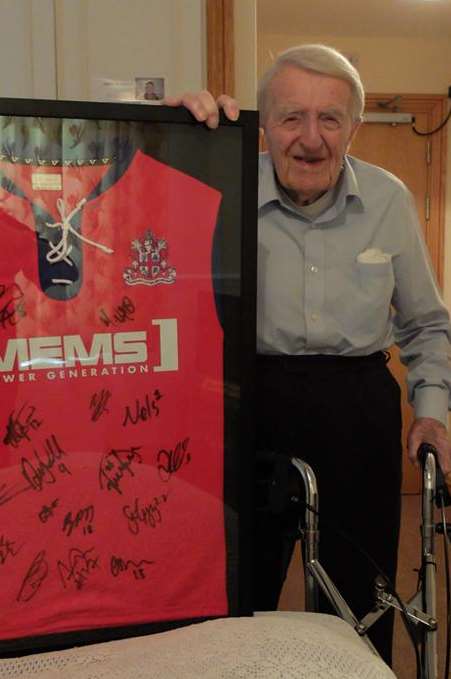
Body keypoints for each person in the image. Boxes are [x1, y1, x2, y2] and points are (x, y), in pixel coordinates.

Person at [165, 44, 451, 666]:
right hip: (245, 402)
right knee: (233, 599)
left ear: (355, 126)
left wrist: (432, 411)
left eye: (331, 119)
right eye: (292, 117)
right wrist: (170, 133)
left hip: (357, 410)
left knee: (358, 602)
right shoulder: (219, 181)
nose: (312, 138)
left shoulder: (389, 200)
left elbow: (427, 325)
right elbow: (133, 198)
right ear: (263, 123)